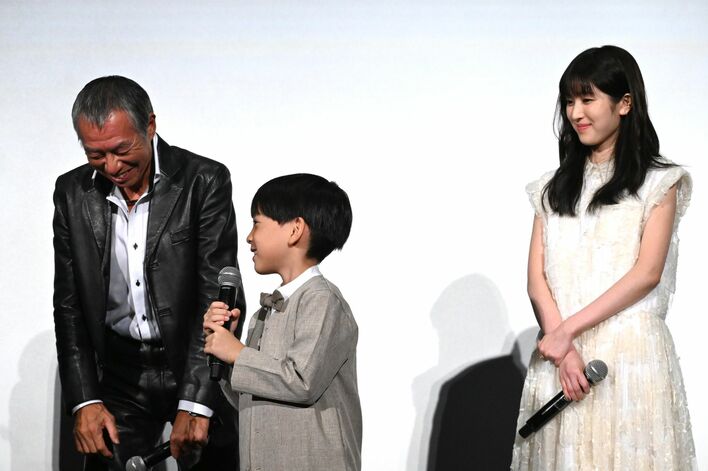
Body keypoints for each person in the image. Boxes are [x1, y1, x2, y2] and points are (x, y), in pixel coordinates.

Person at [511, 46, 697, 470]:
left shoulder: (659, 182)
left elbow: (647, 273)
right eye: (569, 101)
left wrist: (565, 333)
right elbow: (537, 281)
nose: (576, 112)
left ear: (624, 103)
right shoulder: (550, 189)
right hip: (564, 360)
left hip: (630, 359)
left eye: (587, 99)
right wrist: (564, 350)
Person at [53, 75, 245, 470]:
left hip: (192, 359)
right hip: (117, 374)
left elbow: (218, 295)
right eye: (95, 154)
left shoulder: (203, 181)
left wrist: (197, 400)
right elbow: (69, 306)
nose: (112, 166)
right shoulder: (72, 193)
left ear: (150, 125)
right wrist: (85, 400)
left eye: (122, 150)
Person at [203, 173, 362, 471]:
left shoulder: (321, 300)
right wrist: (224, 358)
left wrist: (238, 353)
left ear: (295, 230)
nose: (249, 237)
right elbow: (252, 395)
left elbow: (301, 381)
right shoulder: (264, 313)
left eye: (257, 223)